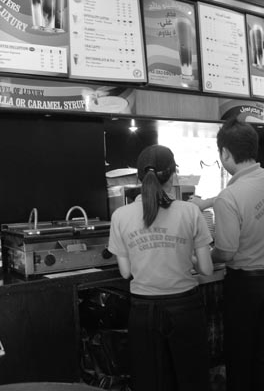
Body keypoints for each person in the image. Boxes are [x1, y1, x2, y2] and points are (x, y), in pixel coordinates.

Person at [107, 144, 214, 391]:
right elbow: (207, 269)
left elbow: (126, 272)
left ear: (138, 178)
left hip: (143, 312)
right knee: (192, 381)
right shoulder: (191, 212)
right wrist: (188, 258)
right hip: (185, 309)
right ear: (174, 175)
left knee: (150, 382)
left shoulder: (120, 216)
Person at [208, 115, 264, 391]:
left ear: (225, 153)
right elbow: (252, 197)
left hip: (248, 288)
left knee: (248, 359)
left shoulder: (229, 197)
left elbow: (226, 252)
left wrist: (204, 255)